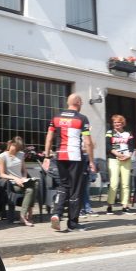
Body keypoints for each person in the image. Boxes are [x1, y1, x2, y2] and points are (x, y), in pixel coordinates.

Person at [42, 94, 96, 232]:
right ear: (77, 102)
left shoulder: (56, 117)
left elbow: (49, 137)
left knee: (64, 185)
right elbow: (88, 142)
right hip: (75, 157)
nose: (82, 104)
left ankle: (56, 213)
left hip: (60, 156)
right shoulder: (82, 118)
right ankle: (72, 224)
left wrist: (47, 156)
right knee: (76, 189)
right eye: (81, 101)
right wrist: (91, 161)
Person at [0, 138, 36, 226]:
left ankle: (23, 216)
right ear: (11, 144)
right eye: (16, 148)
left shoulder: (21, 154)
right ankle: (28, 215)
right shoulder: (2, 156)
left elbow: (24, 170)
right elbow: (2, 174)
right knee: (31, 190)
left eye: (19, 149)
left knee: (33, 186)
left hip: (22, 181)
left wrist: (24, 178)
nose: (17, 151)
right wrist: (15, 178)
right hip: (12, 183)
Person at [104, 114, 135, 215]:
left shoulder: (128, 133)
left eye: (119, 122)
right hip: (114, 159)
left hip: (126, 159)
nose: (117, 124)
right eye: (115, 122)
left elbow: (131, 146)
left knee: (125, 183)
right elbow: (108, 145)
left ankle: (125, 206)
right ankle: (110, 205)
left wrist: (128, 155)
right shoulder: (110, 132)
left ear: (123, 123)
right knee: (114, 183)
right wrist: (117, 154)